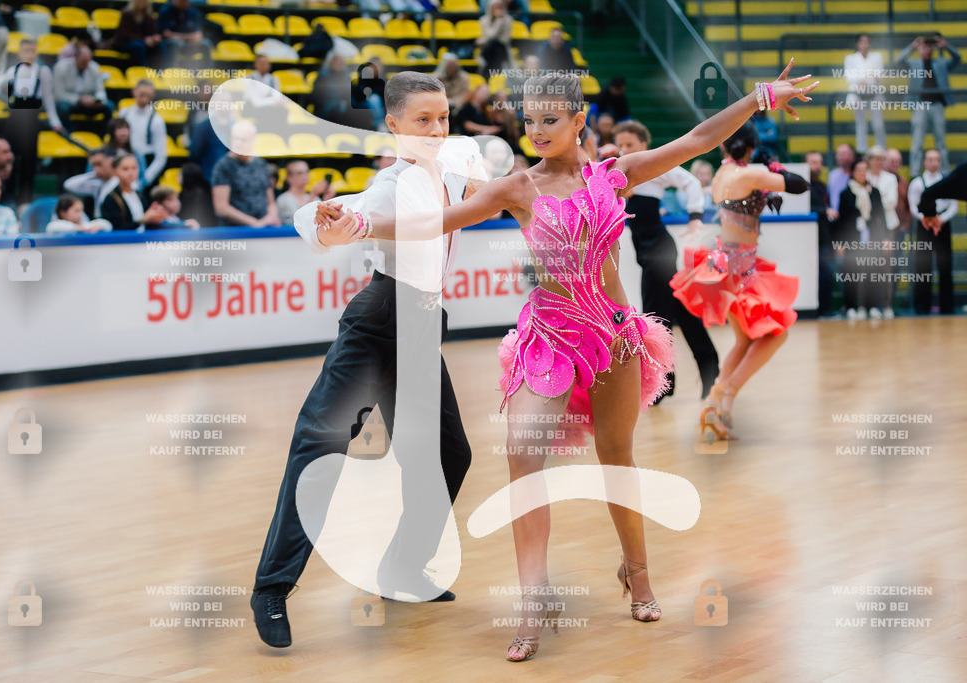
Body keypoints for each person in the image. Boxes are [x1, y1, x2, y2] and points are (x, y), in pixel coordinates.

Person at [327, 63, 817, 660]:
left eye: (549, 120)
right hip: (550, 339)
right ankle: (533, 601)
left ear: (579, 121)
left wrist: (759, 97)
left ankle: (637, 573)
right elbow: (436, 221)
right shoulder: (517, 187)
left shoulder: (615, 174)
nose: (535, 130)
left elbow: (697, 141)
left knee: (618, 459)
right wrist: (359, 222)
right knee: (523, 458)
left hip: (613, 339)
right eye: (528, 120)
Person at [250, 71, 481, 650]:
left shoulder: (454, 172)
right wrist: (330, 225)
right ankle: (272, 588)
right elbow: (323, 221)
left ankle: (403, 569)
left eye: (443, 118)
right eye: (422, 120)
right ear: (394, 124)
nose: (435, 129)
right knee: (321, 444)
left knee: (449, 453)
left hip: (425, 325)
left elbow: (502, 183)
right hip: (380, 321)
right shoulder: (389, 183)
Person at [670, 118, 810, 442]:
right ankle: (723, 392)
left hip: (725, 261)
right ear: (752, 146)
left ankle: (716, 408)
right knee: (777, 333)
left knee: (747, 340)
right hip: (739, 269)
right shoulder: (749, 174)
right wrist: (774, 169)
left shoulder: (722, 173)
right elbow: (800, 184)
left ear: (723, 145)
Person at [615, 120, 720, 400]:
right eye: (621, 145)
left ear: (643, 145)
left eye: (630, 144)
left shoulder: (654, 166)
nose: (624, 149)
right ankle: (707, 370)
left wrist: (696, 216)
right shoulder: (619, 170)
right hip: (647, 253)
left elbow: (691, 182)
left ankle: (661, 386)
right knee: (680, 313)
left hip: (659, 252)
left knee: (654, 318)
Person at [0, 38, 64, 206]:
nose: (29, 54)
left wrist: (55, 122)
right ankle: (7, 195)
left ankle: (25, 198)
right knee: (9, 159)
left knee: (29, 161)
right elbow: (0, 81)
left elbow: (48, 98)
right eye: (25, 51)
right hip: (14, 120)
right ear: (19, 53)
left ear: (36, 53)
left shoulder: (43, 72)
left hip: (32, 121)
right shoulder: (14, 71)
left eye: (32, 51)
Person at [896, 34, 961, 176]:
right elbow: (898, 61)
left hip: (937, 105)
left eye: (929, 46)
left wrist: (946, 46)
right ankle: (915, 174)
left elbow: (957, 58)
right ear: (920, 48)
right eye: (924, 46)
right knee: (917, 142)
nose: (927, 49)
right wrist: (912, 46)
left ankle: (944, 173)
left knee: (941, 142)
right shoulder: (914, 63)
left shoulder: (941, 63)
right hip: (920, 105)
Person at [835, 157, 886, 320]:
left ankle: (872, 307)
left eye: (865, 170)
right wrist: (840, 243)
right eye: (859, 170)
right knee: (851, 273)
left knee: (873, 272)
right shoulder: (846, 193)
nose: (862, 173)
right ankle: (851, 306)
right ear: (853, 172)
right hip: (852, 237)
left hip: (872, 237)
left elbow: (881, 216)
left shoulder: (875, 192)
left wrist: (885, 238)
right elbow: (841, 220)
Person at [908, 149, 957, 315]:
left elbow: (953, 206)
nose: (933, 162)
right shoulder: (917, 183)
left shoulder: (948, 181)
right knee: (923, 267)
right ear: (924, 162)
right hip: (925, 227)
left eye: (936, 159)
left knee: (945, 266)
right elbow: (913, 206)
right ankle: (922, 307)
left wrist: (940, 220)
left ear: (940, 162)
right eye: (930, 159)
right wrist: (926, 218)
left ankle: (947, 307)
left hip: (942, 226)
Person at [210, 120, 280, 227]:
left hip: (263, 228)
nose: (238, 143)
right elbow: (221, 208)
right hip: (236, 231)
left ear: (253, 140)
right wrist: (254, 223)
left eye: (243, 139)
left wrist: (272, 217)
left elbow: (270, 201)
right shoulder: (223, 166)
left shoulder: (261, 164)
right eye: (235, 139)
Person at [864, 145, 899, 318]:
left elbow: (891, 202)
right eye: (875, 158)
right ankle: (870, 306)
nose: (879, 162)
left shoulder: (891, 178)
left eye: (881, 158)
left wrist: (873, 200)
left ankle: (886, 305)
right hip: (868, 228)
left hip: (888, 228)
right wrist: (878, 199)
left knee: (886, 268)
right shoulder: (863, 176)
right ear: (868, 160)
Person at [117, 79, 168, 190]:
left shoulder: (156, 120)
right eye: (142, 95)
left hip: (145, 165)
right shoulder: (124, 114)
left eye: (148, 96)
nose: (145, 99)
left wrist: (145, 180)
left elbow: (161, 157)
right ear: (134, 92)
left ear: (153, 95)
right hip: (124, 161)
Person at [805, 151, 839, 317]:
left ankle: (824, 309)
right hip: (810, 239)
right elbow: (806, 208)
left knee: (826, 273)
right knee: (825, 273)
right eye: (813, 162)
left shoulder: (822, 186)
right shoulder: (803, 186)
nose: (817, 166)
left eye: (819, 162)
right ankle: (820, 310)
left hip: (824, 237)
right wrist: (825, 211)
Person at [53, 44, 113, 132]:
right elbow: (58, 95)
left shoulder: (94, 67)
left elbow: (100, 91)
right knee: (62, 107)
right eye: (83, 61)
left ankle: (103, 134)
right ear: (75, 57)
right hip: (71, 103)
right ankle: (68, 135)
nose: (86, 64)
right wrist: (79, 99)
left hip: (90, 103)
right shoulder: (60, 68)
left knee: (109, 106)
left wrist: (97, 100)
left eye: (88, 61)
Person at [843, 34, 886, 153]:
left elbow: (879, 74)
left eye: (867, 41)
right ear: (858, 44)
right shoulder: (850, 59)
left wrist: (863, 79)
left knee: (878, 126)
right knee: (861, 126)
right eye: (862, 41)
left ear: (870, 44)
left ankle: (881, 152)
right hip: (857, 95)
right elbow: (849, 77)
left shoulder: (877, 57)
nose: (865, 44)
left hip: (874, 95)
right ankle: (862, 152)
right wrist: (867, 77)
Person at [100, 154, 167, 230]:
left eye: (134, 168)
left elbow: (147, 221)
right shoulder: (111, 198)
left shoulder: (139, 194)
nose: (131, 173)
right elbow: (115, 228)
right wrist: (143, 220)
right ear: (115, 171)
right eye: (125, 169)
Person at [63, 146, 121, 217]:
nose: (96, 169)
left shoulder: (122, 183)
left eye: (99, 164)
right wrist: (94, 174)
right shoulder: (97, 184)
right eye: (93, 165)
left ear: (111, 161)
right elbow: (68, 185)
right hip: (99, 223)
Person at [275, 160, 334, 227]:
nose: (305, 175)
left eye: (307, 172)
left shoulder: (314, 197)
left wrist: (327, 200)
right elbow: (299, 222)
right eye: (300, 173)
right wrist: (312, 195)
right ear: (289, 178)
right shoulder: (283, 199)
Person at [157, 0, 212, 67]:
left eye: (186, 1)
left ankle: (207, 73)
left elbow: (198, 34)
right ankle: (174, 72)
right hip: (171, 43)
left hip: (190, 43)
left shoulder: (194, 12)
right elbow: (166, 34)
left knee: (206, 43)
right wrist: (188, 37)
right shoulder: (165, 10)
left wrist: (184, 37)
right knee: (175, 42)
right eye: (182, 1)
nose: (184, 2)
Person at [111, 0, 164, 68]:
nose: (141, 1)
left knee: (161, 45)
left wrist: (154, 38)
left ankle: (163, 69)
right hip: (124, 43)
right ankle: (143, 69)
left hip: (142, 42)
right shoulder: (126, 13)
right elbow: (125, 34)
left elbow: (152, 32)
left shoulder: (148, 15)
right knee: (139, 45)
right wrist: (144, 39)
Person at [477, 0, 513, 76]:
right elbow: (487, 37)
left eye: (500, 6)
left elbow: (505, 39)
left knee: (496, 45)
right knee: (492, 45)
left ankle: (491, 76)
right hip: (486, 50)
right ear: (490, 7)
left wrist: (499, 21)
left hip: (502, 50)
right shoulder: (483, 20)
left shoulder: (508, 20)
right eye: (496, 6)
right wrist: (498, 23)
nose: (498, 9)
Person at [45, 193, 113, 233]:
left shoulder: (85, 226)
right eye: (76, 211)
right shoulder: (57, 226)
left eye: (81, 210)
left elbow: (108, 225)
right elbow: (51, 227)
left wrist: (97, 226)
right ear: (63, 213)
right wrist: (78, 228)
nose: (80, 214)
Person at [177, 162, 216, 228]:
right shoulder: (183, 193)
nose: (177, 177)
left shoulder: (199, 196)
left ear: (187, 176)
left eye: (180, 174)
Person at [827, 143, 855, 211]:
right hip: (836, 217)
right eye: (838, 154)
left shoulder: (858, 175)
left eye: (843, 154)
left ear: (852, 156)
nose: (839, 157)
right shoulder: (832, 175)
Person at [689, 158, 716, 223]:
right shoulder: (684, 190)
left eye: (708, 174)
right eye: (701, 174)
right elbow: (683, 208)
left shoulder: (714, 188)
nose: (705, 177)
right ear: (694, 173)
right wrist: (701, 193)